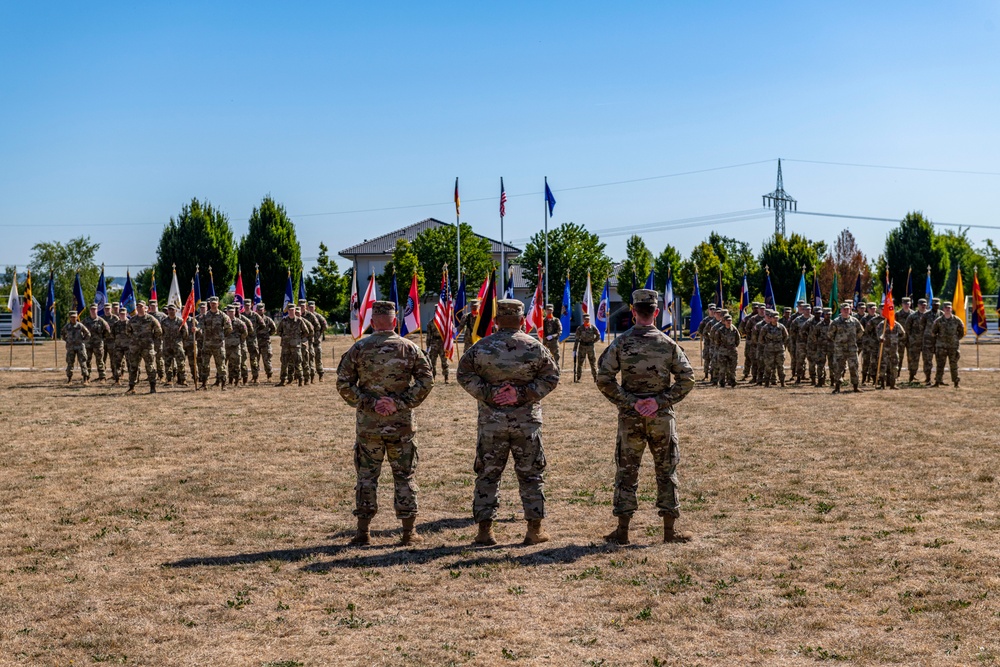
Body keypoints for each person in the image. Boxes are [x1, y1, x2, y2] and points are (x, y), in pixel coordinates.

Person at [457, 299, 560, 546]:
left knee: (488, 475)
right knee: (531, 475)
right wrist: (522, 394)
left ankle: (485, 532)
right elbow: (552, 377)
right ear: (523, 320)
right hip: (527, 423)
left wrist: (489, 393)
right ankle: (534, 531)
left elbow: (463, 375)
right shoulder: (535, 347)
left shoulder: (481, 348)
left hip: (491, 423)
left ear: (495, 321)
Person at [597, 289, 695, 545]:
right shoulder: (668, 344)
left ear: (633, 311)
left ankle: (623, 531)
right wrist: (658, 401)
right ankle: (669, 531)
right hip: (661, 417)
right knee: (666, 471)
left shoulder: (621, 343)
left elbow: (604, 378)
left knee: (627, 472)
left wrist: (632, 402)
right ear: (657, 312)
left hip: (631, 417)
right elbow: (687, 378)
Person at [337, 300, 433, 546]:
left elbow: (343, 383)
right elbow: (426, 381)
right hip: (400, 426)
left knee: (367, 478)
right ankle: (408, 533)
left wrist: (369, 403)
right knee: (405, 477)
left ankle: (363, 533)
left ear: (371, 322)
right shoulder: (410, 348)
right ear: (395, 322)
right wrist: (399, 403)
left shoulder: (359, 348)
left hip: (369, 426)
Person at [125, 301, 163, 394]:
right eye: (137, 307)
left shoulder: (151, 319)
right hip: (135, 347)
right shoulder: (132, 320)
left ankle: (152, 387)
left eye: (141, 306)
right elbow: (128, 331)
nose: (139, 308)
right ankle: (132, 387)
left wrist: (151, 338)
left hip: (147, 346)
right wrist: (134, 339)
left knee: (150, 366)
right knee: (133, 366)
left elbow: (159, 331)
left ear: (145, 308)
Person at [828, 302, 864, 394]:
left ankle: (855, 387)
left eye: (848, 309)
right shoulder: (836, 322)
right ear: (841, 310)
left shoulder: (854, 321)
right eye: (844, 309)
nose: (846, 311)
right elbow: (830, 334)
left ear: (850, 310)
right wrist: (838, 341)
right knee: (838, 368)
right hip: (840, 349)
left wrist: (854, 339)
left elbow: (861, 331)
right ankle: (837, 387)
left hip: (852, 349)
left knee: (854, 367)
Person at [200, 296, 232, 390]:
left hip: (218, 345)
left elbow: (229, 328)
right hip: (207, 345)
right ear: (209, 304)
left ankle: (223, 384)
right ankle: (204, 384)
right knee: (205, 365)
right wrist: (196, 329)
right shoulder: (205, 316)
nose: (213, 304)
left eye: (214, 303)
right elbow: (200, 325)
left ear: (218, 304)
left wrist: (221, 337)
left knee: (221, 365)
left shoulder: (223, 316)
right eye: (211, 303)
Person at [931, 301, 965, 388]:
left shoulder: (957, 320)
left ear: (951, 309)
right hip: (941, 347)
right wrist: (940, 340)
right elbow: (933, 332)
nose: (947, 309)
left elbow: (961, 333)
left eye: (949, 308)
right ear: (943, 309)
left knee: (954, 365)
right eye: (946, 308)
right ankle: (937, 382)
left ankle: (956, 383)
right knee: (940, 365)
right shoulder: (938, 321)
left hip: (953, 347)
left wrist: (955, 339)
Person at [875, 314, 907, 389]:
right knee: (883, 366)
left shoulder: (896, 325)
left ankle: (893, 384)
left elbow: (902, 334)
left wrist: (896, 340)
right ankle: (882, 384)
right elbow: (879, 335)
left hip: (894, 350)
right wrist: (881, 338)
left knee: (894, 367)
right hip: (884, 350)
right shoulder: (882, 325)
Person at [160, 303, 189, 386]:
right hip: (167, 345)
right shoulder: (164, 321)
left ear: (176, 311)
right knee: (167, 363)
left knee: (181, 363)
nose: (171, 311)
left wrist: (179, 340)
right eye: (169, 309)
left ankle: (182, 380)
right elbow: (161, 332)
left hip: (177, 345)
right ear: (167, 311)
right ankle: (169, 380)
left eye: (173, 309)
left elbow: (185, 333)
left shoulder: (180, 321)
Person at [82, 303, 111, 382]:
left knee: (100, 361)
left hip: (98, 344)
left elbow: (108, 331)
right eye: (91, 309)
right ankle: (86, 377)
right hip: (88, 344)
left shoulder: (101, 321)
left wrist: (102, 338)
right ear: (89, 310)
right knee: (87, 360)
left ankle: (102, 377)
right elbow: (80, 330)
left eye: (94, 309)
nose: (93, 311)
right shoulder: (85, 321)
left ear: (97, 310)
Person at [760, 309, 789, 387]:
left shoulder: (781, 327)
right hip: (769, 351)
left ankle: (782, 382)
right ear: (770, 318)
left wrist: (782, 345)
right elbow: (761, 339)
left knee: (780, 366)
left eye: (777, 318)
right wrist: (767, 345)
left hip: (779, 350)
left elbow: (786, 337)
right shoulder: (765, 328)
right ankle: (766, 383)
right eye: (774, 318)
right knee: (768, 367)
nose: (775, 319)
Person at [62, 311, 92, 384]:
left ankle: (85, 379)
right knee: (70, 363)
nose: (73, 319)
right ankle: (69, 379)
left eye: (75, 317)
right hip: (71, 347)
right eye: (72, 317)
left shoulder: (80, 326)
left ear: (77, 318)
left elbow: (88, 334)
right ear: (70, 318)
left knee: (83, 363)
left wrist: (83, 341)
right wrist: (67, 340)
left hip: (80, 347)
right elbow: (62, 334)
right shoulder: (67, 326)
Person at [715, 314, 741, 388]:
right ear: (724, 321)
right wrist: (722, 347)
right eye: (727, 320)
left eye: (730, 320)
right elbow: (717, 341)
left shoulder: (734, 330)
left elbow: (737, 340)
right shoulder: (720, 330)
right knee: (723, 368)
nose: (729, 322)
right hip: (723, 352)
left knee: (732, 368)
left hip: (732, 352)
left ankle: (732, 381)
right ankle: (722, 382)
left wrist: (733, 347)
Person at [225, 305, 249, 387]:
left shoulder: (240, 322)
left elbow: (245, 332)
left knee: (237, 363)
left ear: (235, 312)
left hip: (236, 346)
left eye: (232, 311)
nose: (231, 313)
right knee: (229, 364)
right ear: (227, 312)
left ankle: (237, 380)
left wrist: (239, 340)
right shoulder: (224, 322)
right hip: (226, 346)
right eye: (229, 311)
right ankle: (230, 380)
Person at [572, 313, 600, 382]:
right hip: (582, 347)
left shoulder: (593, 327)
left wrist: (593, 341)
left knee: (593, 363)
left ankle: (595, 378)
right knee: (580, 363)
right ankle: (578, 378)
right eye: (585, 319)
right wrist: (574, 349)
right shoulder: (580, 328)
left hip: (590, 347)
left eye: (588, 319)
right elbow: (577, 339)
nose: (587, 320)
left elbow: (598, 335)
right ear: (583, 320)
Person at [905, 299, 928, 384]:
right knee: (914, 360)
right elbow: (907, 328)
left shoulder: (929, 315)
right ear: (918, 305)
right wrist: (912, 337)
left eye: (924, 305)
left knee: (927, 360)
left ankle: (927, 377)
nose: (923, 306)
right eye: (921, 304)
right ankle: (912, 376)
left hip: (926, 342)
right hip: (915, 342)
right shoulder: (912, 316)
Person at [921, 298, 943, 385]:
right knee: (927, 360)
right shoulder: (926, 315)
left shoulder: (942, 314)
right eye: (934, 304)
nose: (936, 306)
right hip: (928, 341)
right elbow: (922, 326)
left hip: (939, 341)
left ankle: (939, 379)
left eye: (937, 304)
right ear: (931, 305)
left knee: (940, 360)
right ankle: (928, 378)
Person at [255, 303, 277, 382]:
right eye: (258, 310)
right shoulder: (254, 319)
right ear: (256, 310)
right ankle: (255, 377)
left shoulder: (268, 319)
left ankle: (269, 376)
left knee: (267, 360)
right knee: (255, 361)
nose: (260, 311)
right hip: (255, 343)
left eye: (261, 310)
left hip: (265, 343)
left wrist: (268, 334)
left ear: (264, 310)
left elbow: (274, 329)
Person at [308, 301, 329, 382]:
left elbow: (325, 326)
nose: (311, 308)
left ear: (315, 307)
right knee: (308, 359)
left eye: (312, 307)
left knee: (318, 359)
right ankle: (310, 376)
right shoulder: (306, 316)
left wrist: (319, 333)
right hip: (308, 341)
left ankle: (321, 375)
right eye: (309, 307)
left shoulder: (318, 316)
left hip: (316, 342)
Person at [148, 299, 168, 381]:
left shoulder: (162, 315)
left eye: (154, 305)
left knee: (159, 358)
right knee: (150, 358)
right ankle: (151, 375)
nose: (152, 307)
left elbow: (167, 325)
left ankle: (161, 375)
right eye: (151, 306)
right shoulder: (147, 316)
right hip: (149, 340)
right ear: (149, 306)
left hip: (159, 340)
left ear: (156, 305)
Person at [425, 318, 450, 384]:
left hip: (443, 343)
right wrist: (428, 345)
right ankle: (433, 377)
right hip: (434, 343)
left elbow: (449, 329)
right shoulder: (431, 323)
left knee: (444, 361)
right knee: (432, 362)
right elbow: (429, 334)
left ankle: (446, 377)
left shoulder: (444, 321)